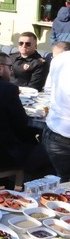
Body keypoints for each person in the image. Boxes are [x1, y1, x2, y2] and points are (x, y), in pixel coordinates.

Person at [43, 43, 70, 181]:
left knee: (63, 183)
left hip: (56, 131)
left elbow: (48, 90)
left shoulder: (59, 59)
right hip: (59, 135)